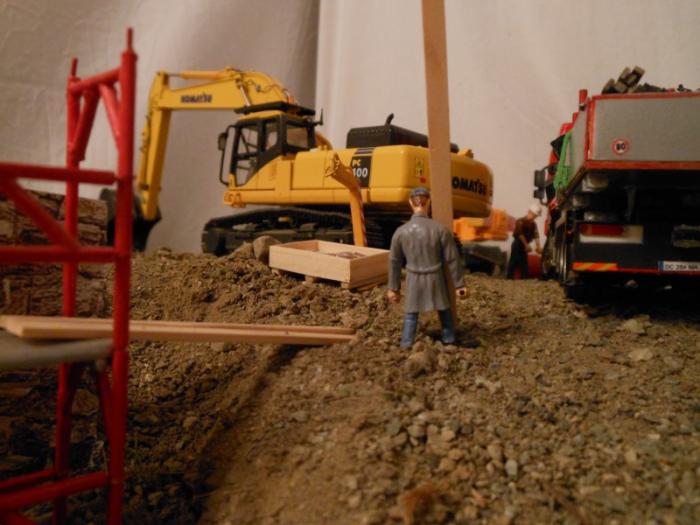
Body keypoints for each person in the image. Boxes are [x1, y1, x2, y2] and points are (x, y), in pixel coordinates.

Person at [386, 187, 467, 349]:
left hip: (414, 279)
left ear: (411, 203)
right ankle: (449, 338)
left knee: (411, 314)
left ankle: (406, 342)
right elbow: (452, 258)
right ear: (429, 202)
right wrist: (459, 285)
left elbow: (394, 261)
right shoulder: (440, 229)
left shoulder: (401, 232)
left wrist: (393, 288)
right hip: (435, 277)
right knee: (444, 310)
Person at [506, 203, 543, 279]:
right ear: (529, 212)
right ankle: (509, 278)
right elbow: (520, 234)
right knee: (513, 261)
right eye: (534, 215)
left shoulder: (533, 224)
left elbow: (536, 235)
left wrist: (538, 246)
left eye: (536, 216)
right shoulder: (520, 221)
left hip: (525, 246)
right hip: (517, 244)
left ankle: (524, 278)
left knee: (524, 264)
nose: (534, 217)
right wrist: (526, 245)